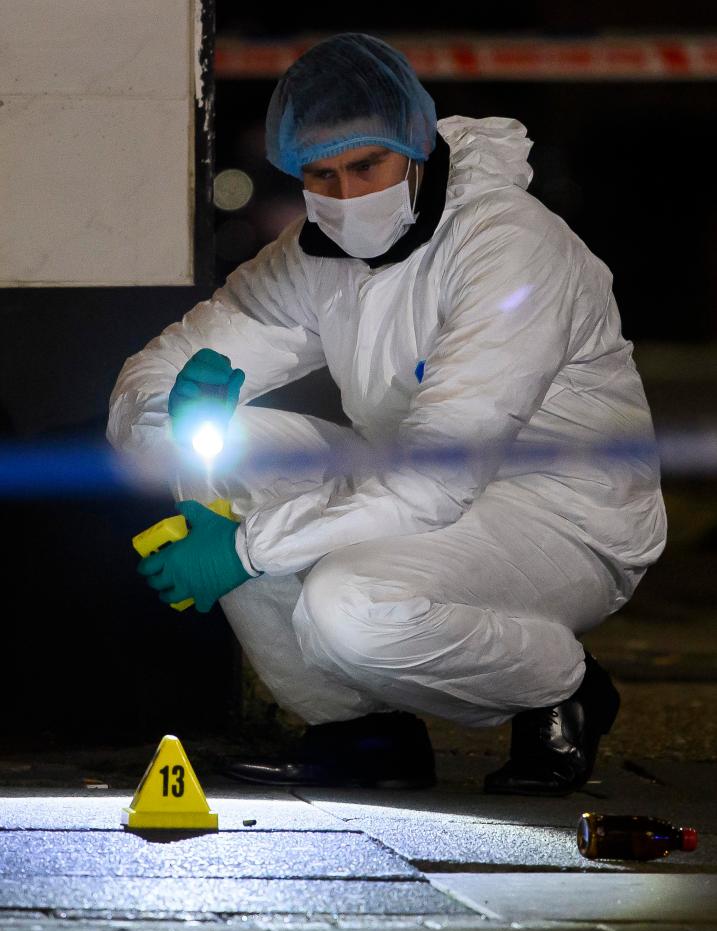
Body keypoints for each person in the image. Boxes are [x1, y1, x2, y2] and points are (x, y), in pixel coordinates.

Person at [107, 33, 667, 796]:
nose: (343, 197)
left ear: (414, 143)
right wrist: (168, 422)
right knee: (219, 441)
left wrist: (243, 549)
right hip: (405, 476)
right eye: (320, 174)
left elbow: (442, 476)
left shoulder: (508, 248)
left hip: (561, 512)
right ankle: (358, 732)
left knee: (351, 607)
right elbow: (149, 378)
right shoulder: (315, 254)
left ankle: (560, 688)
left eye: (365, 166)